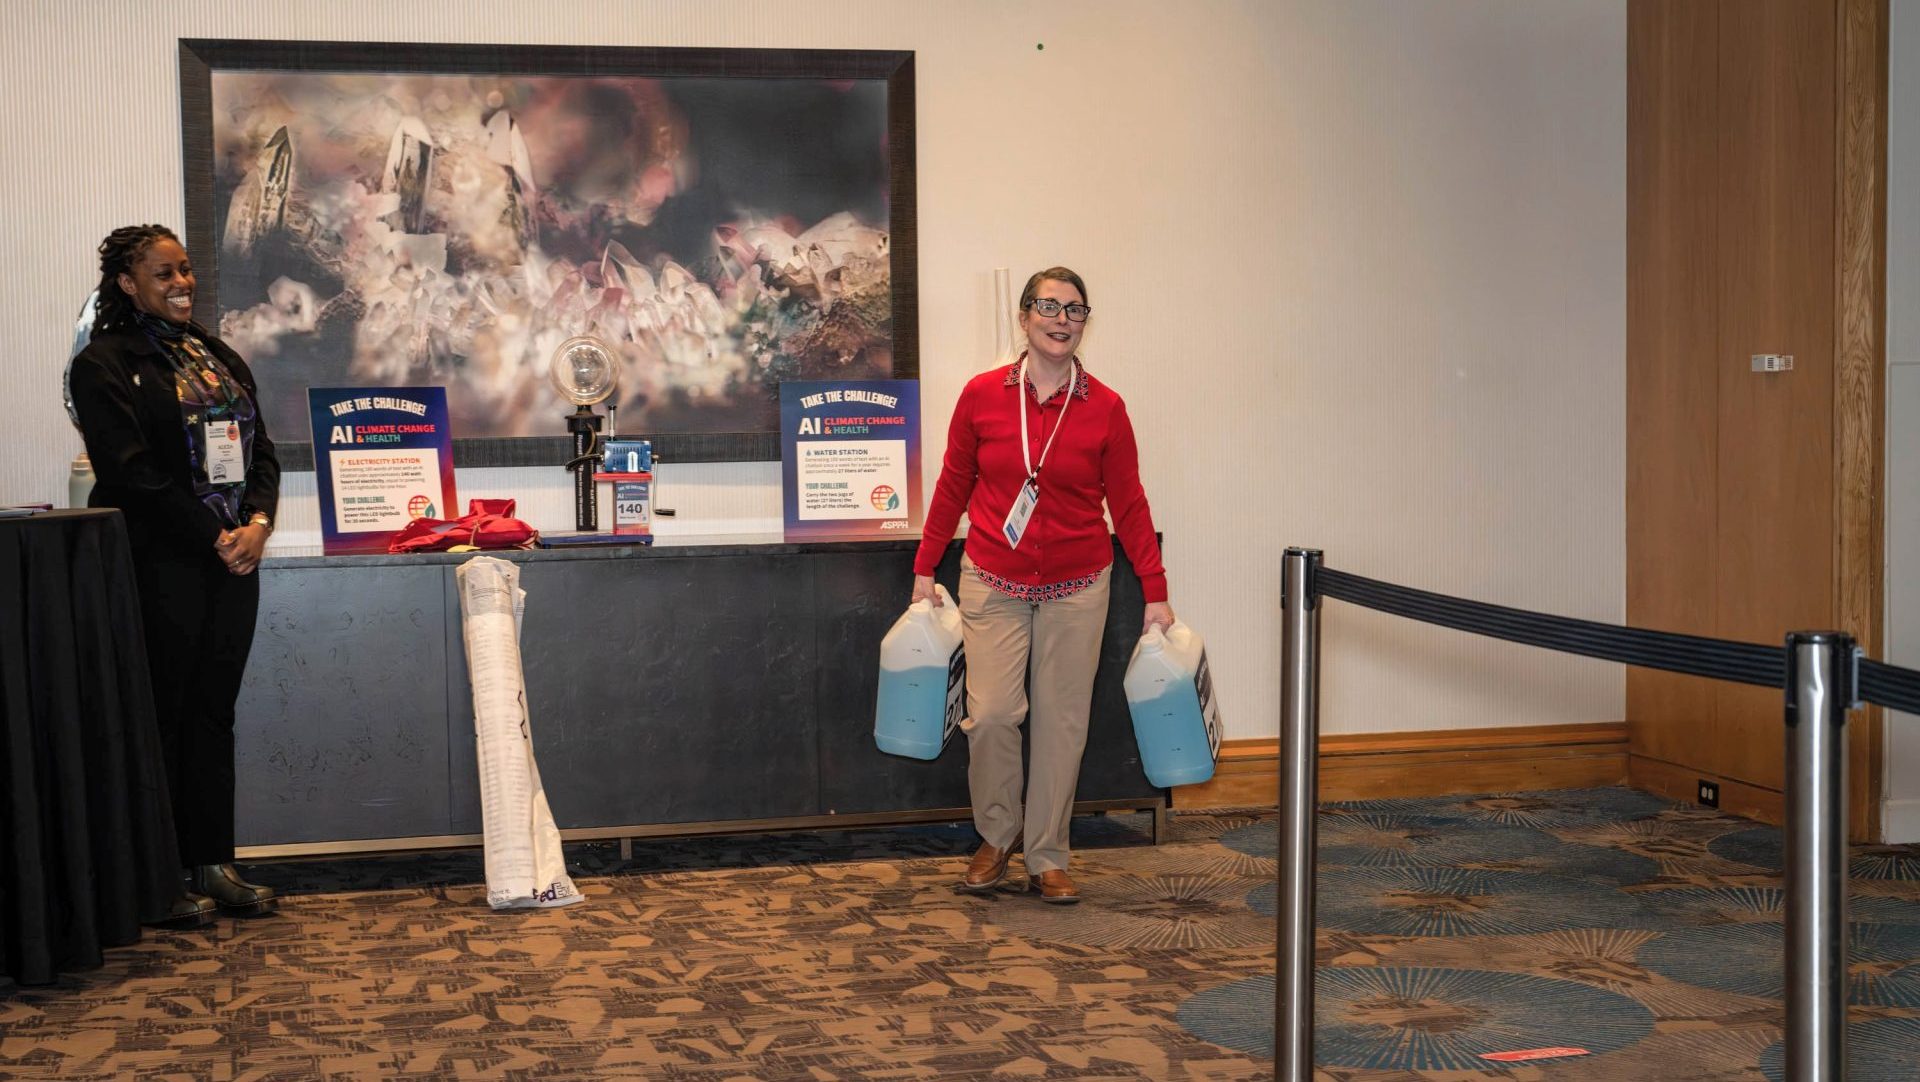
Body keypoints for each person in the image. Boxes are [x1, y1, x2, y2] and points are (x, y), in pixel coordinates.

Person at [912, 266, 1173, 904]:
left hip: (1078, 583)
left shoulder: (1106, 407)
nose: (1062, 320)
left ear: (1085, 323)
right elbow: (953, 483)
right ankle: (997, 835)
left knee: (1062, 724)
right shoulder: (981, 395)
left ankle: (1047, 853)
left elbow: (1129, 503)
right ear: (1024, 316)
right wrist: (924, 566)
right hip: (992, 577)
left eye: (1075, 309)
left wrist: (1156, 588)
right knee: (993, 715)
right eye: (1049, 307)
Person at [68, 224, 280, 925]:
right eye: (164, 274)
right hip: (157, 561)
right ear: (128, 284)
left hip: (233, 561)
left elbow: (262, 452)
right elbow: (130, 471)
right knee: (157, 717)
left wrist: (257, 524)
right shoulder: (103, 363)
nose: (182, 283)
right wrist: (213, 534)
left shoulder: (216, 355)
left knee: (213, 713)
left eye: (185, 270)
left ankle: (213, 863)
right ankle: (155, 878)